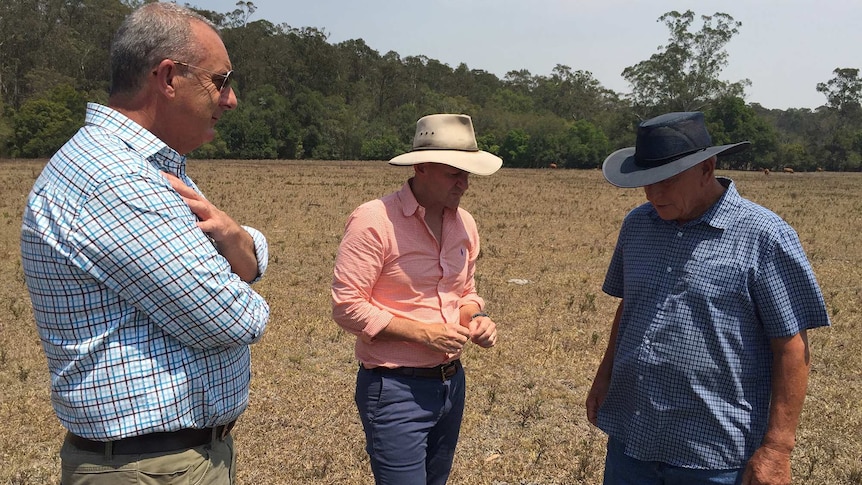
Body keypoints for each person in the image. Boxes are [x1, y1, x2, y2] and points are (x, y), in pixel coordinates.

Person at [20, 3, 270, 484]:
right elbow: (233, 318)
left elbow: (241, 249)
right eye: (221, 81)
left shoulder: (139, 169)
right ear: (169, 77)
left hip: (160, 461)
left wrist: (241, 242)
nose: (231, 99)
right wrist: (242, 263)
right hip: (148, 469)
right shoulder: (116, 180)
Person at [585, 111, 830, 485]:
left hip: (713, 452)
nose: (653, 194)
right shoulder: (637, 225)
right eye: (646, 182)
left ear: (707, 168)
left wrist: (778, 448)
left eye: (666, 181)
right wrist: (605, 377)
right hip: (633, 437)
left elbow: (791, 346)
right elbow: (630, 306)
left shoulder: (764, 237)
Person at [331, 113, 501, 485]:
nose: (465, 183)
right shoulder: (374, 220)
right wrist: (423, 335)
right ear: (421, 167)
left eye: (468, 173)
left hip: (451, 384)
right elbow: (347, 307)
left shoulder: (465, 224)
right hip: (395, 389)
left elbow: (466, 292)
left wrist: (475, 318)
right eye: (455, 172)